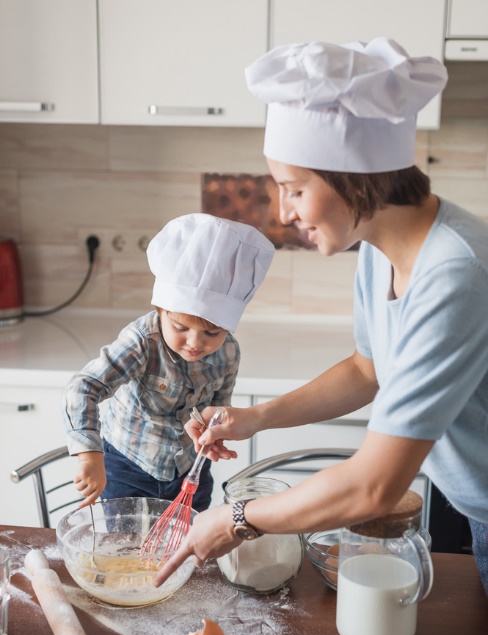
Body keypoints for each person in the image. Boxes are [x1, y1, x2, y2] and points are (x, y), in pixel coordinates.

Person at [153, 37, 488, 597]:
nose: (284, 212)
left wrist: (239, 519)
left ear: (354, 176)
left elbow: (376, 486)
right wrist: (253, 418)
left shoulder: (455, 272)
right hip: (470, 500)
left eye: (295, 189)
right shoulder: (381, 248)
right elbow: (366, 370)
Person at [62, 213, 274, 512]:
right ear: (160, 311)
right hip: (127, 468)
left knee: (187, 549)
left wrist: (212, 434)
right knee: (127, 551)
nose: (196, 343)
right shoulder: (142, 341)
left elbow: (217, 409)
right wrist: (89, 455)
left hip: (190, 471)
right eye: (180, 328)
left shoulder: (228, 352)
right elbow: (84, 387)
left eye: (212, 332)